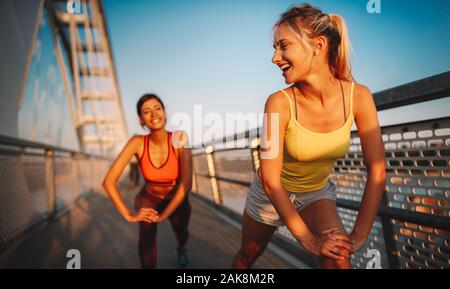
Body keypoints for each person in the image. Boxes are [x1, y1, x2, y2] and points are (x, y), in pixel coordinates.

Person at [233, 3, 386, 269]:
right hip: (269, 196)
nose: (275, 58)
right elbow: (271, 180)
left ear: (318, 45)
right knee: (247, 257)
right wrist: (310, 241)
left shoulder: (359, 96)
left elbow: (377, 168)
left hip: (316, 193)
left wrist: (359, 235)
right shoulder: (277, 103)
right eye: (274, 48)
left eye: (283, 46)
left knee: (339, 256)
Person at [103, 94, 193, 269]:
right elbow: (108, 181)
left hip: (177, 198)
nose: (153, 114)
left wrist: (164, 215)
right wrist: (129, 215)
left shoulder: (179, 138)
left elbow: (187, 183)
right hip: (149, 197)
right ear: (141, 120)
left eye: (157, 108)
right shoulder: (137, 142)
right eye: (146, 111)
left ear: (165, 113)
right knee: (147, 232)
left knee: (182, 233)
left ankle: (181, 247)